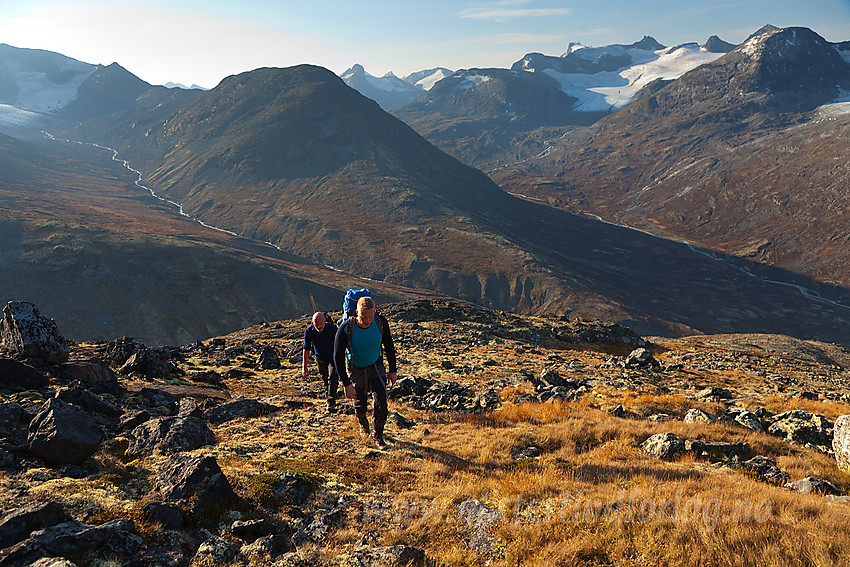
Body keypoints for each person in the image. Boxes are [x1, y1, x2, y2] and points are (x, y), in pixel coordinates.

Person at [334, 296, 397, 449]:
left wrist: (393, 370)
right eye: (363, 317)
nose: (367, 320)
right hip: (356, 369)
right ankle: (363, 424)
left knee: (381, 401)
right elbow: (337, 356)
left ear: (375, 311)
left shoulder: (380, 322)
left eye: (370, 316)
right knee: (360, 402)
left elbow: (388, 345)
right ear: (356, 312)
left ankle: (378, 435)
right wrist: (346, 384)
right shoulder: (346, 328)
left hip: (376, 366)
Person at [303, 312, 340, 411]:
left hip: (333, 356)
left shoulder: (332, 329)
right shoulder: (309, 331)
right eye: (316, 325)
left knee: (333, 377)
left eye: (320, 324)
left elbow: (341, 342)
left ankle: (330, 402)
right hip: (320, 357)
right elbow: (306, 348)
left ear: (325, 321)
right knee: (325, 378)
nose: (318, 327)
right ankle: (330, 396)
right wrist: (304, 366)